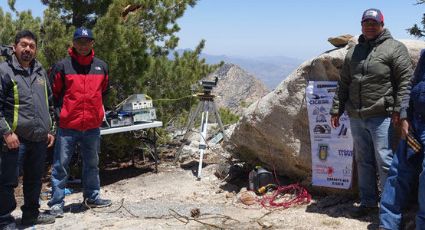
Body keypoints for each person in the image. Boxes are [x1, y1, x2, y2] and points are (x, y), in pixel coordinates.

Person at [330, 8, 413, 218]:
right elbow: (344, 83)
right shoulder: (354, 51)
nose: (370, 26)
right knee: (363, 160)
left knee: (385, 161)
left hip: (382, 115)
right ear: (361, 25)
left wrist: (400, 111)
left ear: (382, 25)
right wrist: (336, 109)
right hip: (357, 116)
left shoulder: (395, 48)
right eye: (366, 22)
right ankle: (368, 203)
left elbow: (406, 81)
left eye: (374, 23)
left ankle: (388, 209)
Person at [47, 27, 111, 217]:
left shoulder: (101, 66)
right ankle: (57, 203)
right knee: (60, 166)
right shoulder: (63, 66)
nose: (83, 45)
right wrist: (60, 114)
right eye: (79, 41)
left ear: (92, 43)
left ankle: (92, 196)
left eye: (87, 41)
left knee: (92, 164)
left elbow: (104, 91)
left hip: (92, 126)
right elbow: (54, 93)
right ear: (73, 43)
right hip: (68, 126)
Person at [0, 30, 56, 229]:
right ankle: (4, 219)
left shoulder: (40, 71)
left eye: (32, 46)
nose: (27, 49)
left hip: (39, 138)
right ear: (14, 47)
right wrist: (6, 133)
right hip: (15, 139)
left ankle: (31, 215)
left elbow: (49, 102)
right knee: (7, 181)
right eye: (23, 45)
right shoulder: (4, 71)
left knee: (34, 180)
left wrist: (51, 129)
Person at [379, 50, 425, 230]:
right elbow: (410, 86)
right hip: (415, 124)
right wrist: (405, 117)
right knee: (398, 173)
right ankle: (387, 224)